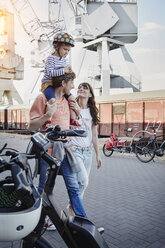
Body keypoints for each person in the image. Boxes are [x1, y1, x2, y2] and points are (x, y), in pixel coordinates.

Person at [29, 72, 88, 230]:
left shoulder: (69, 100)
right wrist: (48, 114)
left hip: (66, 151)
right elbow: (32, 126)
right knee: (43, 188)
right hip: (48, 152)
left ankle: (84, 222)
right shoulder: (43, 99)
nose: (74, 86)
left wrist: (77, 112)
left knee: (74, 187)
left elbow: (72, 124)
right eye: (72, 83)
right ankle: (35, 223)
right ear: (63, 83)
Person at [71, 82, 102, 202]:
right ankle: (74, 207)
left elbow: (94, 135)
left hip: (88, 152)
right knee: (83, 180)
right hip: (75, 150)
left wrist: (98, 155)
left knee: (82, 185)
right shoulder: (72, 106)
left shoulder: (92, 111)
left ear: (90, 94)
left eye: (85, 88)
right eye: (79, 87)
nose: (81, 89)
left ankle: (74, 209)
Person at [41, 31, 79, 128]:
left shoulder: (63, 60)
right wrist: (64, 70)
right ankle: (48, 121)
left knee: (72, 100)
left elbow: (63, 73)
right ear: (57, 47)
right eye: (65, 49)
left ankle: (72, 120)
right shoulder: (50, 58)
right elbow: (51, 73)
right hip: (48, 84)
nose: (66, 52)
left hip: (58, 85)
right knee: (53, 100)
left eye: (68, 50)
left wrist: (69, 71)